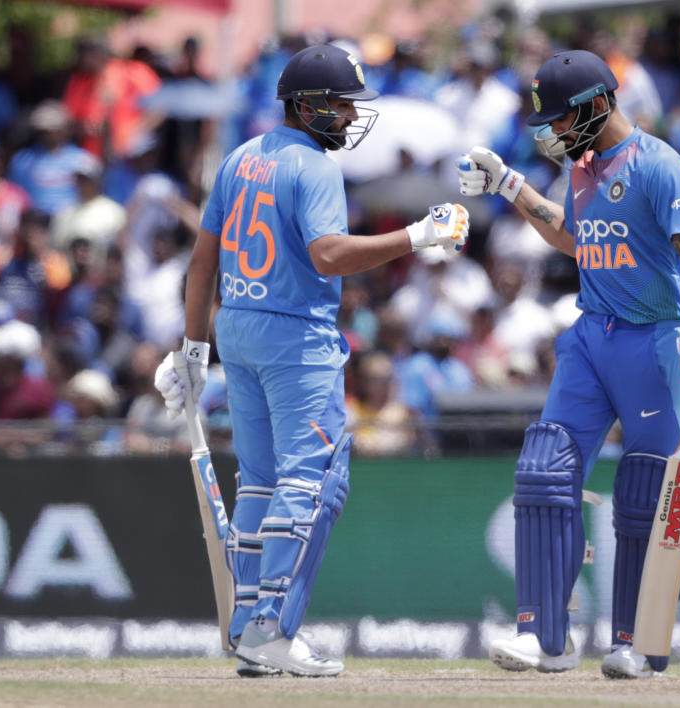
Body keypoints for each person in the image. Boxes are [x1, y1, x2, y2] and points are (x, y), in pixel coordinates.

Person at [152, 44, 468, 678]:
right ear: (307, 104)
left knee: (262, 481)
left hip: (236, 329)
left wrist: (192, 349)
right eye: (342, 103)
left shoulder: (240, 158)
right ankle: (273, 629)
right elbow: (327, 255)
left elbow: (201, 265)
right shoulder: (316, 167)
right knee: (312, 479)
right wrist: (418, 235)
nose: (351, 116)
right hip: (296, 337)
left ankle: (247, 626)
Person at [456, 49, 680, 679]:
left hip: (653, 340)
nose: (554, 131)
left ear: (597, 105)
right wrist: (510, 184)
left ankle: (635, 640)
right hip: (589, 336)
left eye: (560, 119)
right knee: (542, 470)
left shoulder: (660, 165)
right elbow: (572, 237)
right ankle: (544, 638)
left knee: (643, 495)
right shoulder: (582, 166)